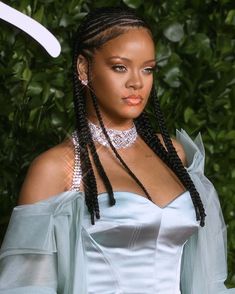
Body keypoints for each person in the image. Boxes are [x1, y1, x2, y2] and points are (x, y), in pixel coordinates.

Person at [0, 6, 234, 294]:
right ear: (84, 69)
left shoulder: (173, 153)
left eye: (147, 69)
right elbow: (28, 287)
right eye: (120, 67)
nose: (137, 82)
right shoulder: (58, 167)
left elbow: (206, 279)